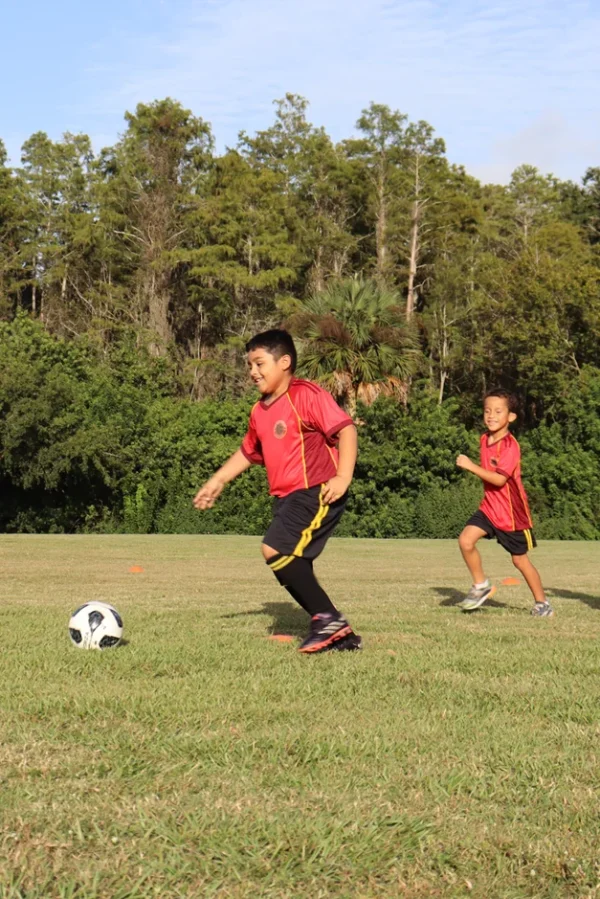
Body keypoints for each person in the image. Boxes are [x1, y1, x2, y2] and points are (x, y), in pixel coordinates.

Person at [193, 329, 362, 652]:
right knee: (297, 564)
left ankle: (329, 619)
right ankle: (340, 636)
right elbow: (248, 452)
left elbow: (347, 430)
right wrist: (217, 480)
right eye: (249, 365)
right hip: (285, 498)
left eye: (259, 363)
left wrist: (343, 476)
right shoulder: (259, 411)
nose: (252, 372)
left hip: (316, 490)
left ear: (284, 362)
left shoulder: (305, 395)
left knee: (274, 549)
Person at [456, 388, 553, 617]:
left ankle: (542, 603)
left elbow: (500, 479)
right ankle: (481, 585)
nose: (491, 415)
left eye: (498, 411)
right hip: (489, 508)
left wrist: (470, 466)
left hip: (511, 515)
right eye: (487, 410)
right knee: (465, 540)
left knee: (519, 560)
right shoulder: (484, 439)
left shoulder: (511, 446)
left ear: (511, 417)